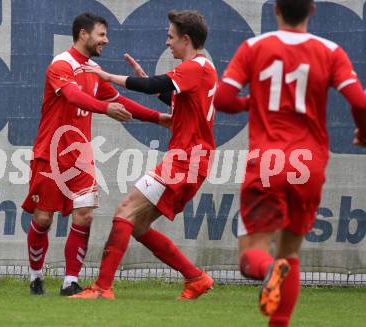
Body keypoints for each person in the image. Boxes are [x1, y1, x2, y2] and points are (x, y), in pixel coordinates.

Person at [214, 0, 366, 325]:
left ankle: (268, 268)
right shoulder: (330, 50)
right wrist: (363, 133)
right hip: (308, 165)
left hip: (268, 161)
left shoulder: (254, 47)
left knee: (252, 254)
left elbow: (223, 99)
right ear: (312, 9)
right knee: (290, 253)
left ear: (276, 10)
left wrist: (249, 104)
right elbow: (359, 102)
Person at [22, 12, 170, 296]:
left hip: (80, 157)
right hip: (50, 154)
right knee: (43, 219)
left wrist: (156, 117)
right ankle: (36, 277)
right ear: (83, 33)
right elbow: (73, 96)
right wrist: (105, 110)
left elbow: (118, 100)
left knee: (85, 216)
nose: (106, 39)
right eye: (101, 34)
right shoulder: (61, 64)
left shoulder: (92, 68)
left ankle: (70, 282)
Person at [72, 10, 217, 300]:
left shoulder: (196, 67)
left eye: (171, 36)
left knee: (124, 211)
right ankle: (196, 278)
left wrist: (107, 76)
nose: (167, 42)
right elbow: (175, 97)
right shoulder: (202, 70)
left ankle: (102, 288)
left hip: (185, 159)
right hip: (192, 160)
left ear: (186, 39)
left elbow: (156, 84)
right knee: (136, 224)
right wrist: (149, 84)